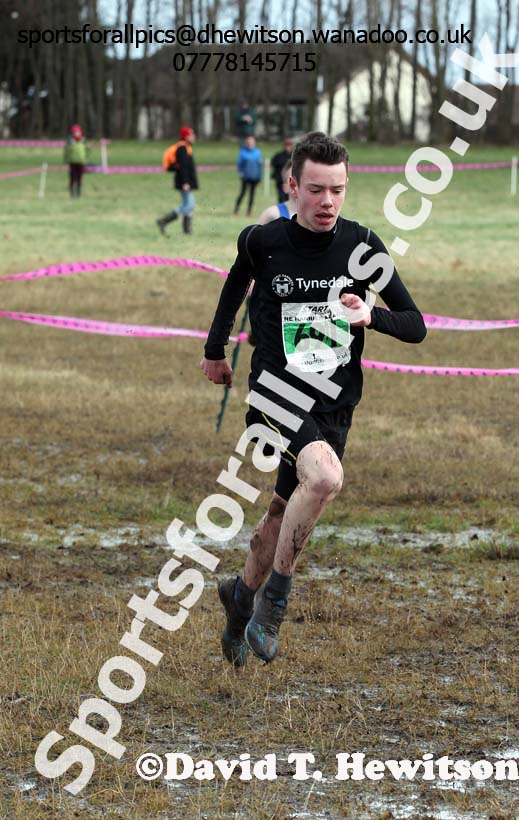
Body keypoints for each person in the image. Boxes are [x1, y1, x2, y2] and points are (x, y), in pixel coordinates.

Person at [200, 131, 427, 667]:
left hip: (334, 400)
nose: (328, 202)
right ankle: (273, 600)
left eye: (339, 191)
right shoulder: (263, 240)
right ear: (293, 186)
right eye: (317, 190)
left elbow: (416, 325)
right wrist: (215, 351)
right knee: (324, 478)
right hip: (275, 392)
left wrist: (370, 314)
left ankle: (239, 597)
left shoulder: (362, 247)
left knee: (284, 509)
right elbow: (235, 285)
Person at [156, 126, 198, 236]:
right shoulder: (182, 148)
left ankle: (187, 230)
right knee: (189, 205)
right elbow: (183, 167)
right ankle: (164, 220)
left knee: (187, 204)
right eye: (191, 134)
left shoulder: (186, 147)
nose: (194, 136)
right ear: (186, 136)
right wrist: (185, 182)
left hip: (185, 182)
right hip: (184, 182)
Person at [234, 136, 263, 217]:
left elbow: (259, 165)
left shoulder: (257, 152)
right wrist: (241, 173)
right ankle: (236, 210)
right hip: (245, 177)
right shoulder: (243, 152)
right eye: (249, 142)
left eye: (251, 142)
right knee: (242, 193)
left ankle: (249, 212)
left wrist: (260, 176)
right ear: (247, 143)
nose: (250, 144)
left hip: (254, 177)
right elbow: (239, 164)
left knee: (252, 195)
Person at [64, 124, 89, 198]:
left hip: (81, 162)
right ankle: (72, 193)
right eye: (75, 132)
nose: (77, 133)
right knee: (72, 178)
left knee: (79, 178)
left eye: (78, 131)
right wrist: (66, 159)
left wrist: (85, 158)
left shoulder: (83, 140)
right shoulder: (70, 141)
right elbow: (66, 151)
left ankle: (78, 193)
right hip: (72, 162)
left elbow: (87, 150)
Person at [270, 138, 293, 203]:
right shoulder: (278, 156)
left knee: (288, 198)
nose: (288, 147)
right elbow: (273, 165)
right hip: (280, 180)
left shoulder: (294, 156)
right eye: (286, 145)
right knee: (281, 198)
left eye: (289, 145)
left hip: (290, 181)